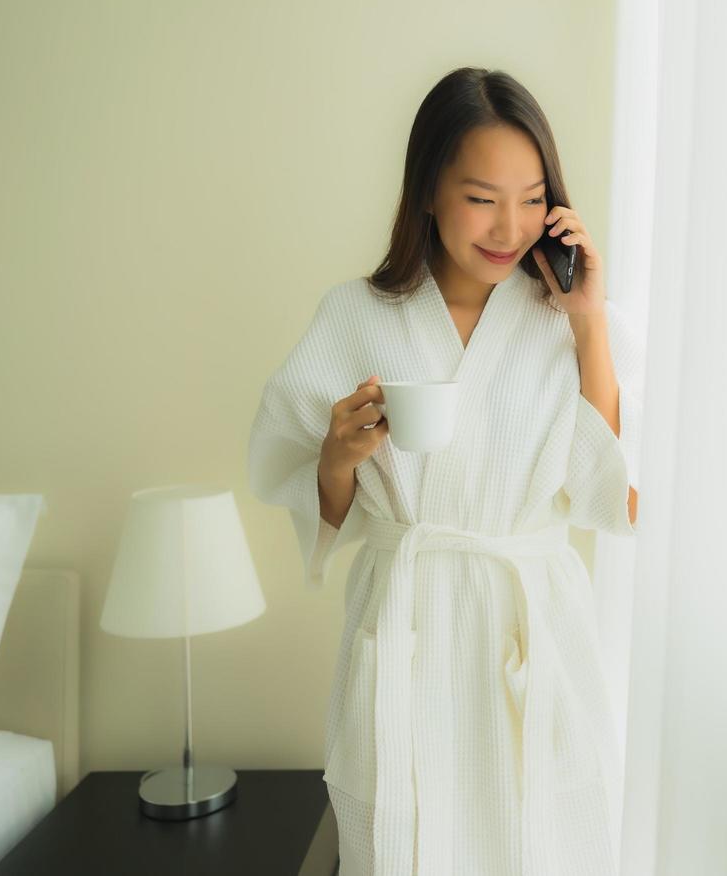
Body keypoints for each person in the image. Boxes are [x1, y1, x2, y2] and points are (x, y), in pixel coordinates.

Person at [246, 67, 644, 876]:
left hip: (533, 627)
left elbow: (610, 492)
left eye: (533, 198)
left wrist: (589, 324)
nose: (510, 225)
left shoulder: (563, 319)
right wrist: (337, 458)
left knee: (547, 836)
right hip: (409, 625)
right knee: (405, 838)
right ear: (428, 190)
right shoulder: (355, 315)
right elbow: (317, 504)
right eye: (481, 196)